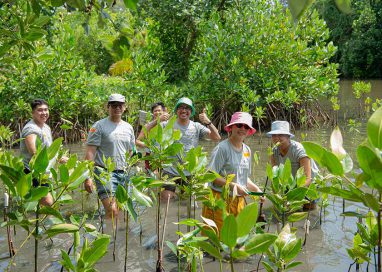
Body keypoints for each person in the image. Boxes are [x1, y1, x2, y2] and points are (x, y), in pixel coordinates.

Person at [147, 97, 221, 200]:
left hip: (189, 171)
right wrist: (157, 121)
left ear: (191, 111)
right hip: (170, 170)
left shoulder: (196, 126)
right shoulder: (167, 124)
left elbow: (216, 137)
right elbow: (145, 131)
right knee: (165, 201)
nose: (184, 110)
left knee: (187, 203)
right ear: (176, 110)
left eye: (187, 108)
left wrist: (208, 122)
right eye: (181, 107)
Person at [202, 112, 263, 232]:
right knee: (217, 241)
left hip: (238, 201)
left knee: (236, 239)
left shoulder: (247, 150)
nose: (242, 129)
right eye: (239, 125)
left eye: (246, 127)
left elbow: (244, 178)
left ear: (249, 131)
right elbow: (210, 175)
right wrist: (233, 186)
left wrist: (257, 190)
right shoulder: (222, 148)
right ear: (231, 127)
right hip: (219, 200)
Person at [84, 94, 136, 219]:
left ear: (124, 107)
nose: (117, 108)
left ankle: (116, 236)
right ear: (108, 107)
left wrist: (134, 171)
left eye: (120, 105)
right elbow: (90, 152)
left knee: (120, 209)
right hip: (104, 172)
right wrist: (87, 177)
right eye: (113, 105)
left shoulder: (129, 127)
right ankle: (109, 238)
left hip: (124, 173)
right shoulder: (98, 126)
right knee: (112, 210)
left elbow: (131, 151)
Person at [20, 99, 67, 206]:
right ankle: (43, 222)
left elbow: (48, 149)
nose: (44, 113)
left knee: (44, 203)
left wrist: (59, 157)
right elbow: (34, 153)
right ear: (32, 113)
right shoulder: (31, 129)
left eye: (46, 110)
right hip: (33, 172)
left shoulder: (46, 127)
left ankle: (39, 221)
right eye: (40, 110)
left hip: (44, 172)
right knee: (48, 202)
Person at [267, 121, 318, 209]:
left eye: (280, 135)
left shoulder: (299, 150)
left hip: (308, 185)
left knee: (309, 211)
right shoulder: (273, 151)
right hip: (289, 184)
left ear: (288, 137)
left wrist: (292, 197)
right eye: (274, 135)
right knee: (285, 212)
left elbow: (308, 179)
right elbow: (274, 178)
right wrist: (277, 198)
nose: (276, 138)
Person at [136, 102, 170, 170]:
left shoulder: (168, 125)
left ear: (164, 112)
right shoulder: (147, 126)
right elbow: (137, 141)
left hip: (164, 156)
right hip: (151, 156)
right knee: (151, 178)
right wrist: (148, 145)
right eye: (155, 111)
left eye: (159, 110)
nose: (157, 112)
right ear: (152, 113)